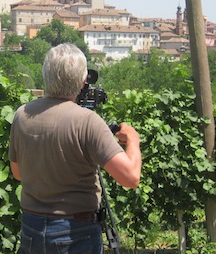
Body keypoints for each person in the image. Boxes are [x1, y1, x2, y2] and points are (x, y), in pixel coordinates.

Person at [9, 43, 142, 253]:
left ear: (46, 75)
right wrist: (133, 139)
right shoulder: (88, 121)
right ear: (82, 81)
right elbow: (131, 178)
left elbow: (17, 173)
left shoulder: (22, 114)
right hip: (75, 232)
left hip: (31, 228)